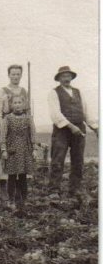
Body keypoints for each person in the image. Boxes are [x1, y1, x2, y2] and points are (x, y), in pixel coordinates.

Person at [47, 66, 98, 204]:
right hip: (62, 130)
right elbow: (55, 114)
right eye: (63, 76)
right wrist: (70, 126)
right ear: (59, 78)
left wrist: (95, 128)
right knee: (58, 160)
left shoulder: (78, 92)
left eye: (68, 76)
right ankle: (54, 190)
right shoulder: (54, 93)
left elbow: (86, 112)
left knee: (78, 160)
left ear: (71, 77)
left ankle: (75, 189)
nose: (66, 78)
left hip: (79, 130)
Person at [0, 65, 29, 205]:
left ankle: (18, 192)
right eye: (13, 74)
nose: (15, 76)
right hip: (5, 126)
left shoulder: (24, 92)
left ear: (21, 75)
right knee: (4, 157)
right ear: (9, 75)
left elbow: (27, 110)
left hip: (20, 128)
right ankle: (3, 190)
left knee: (18, 158)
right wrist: (3, 126)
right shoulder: (2, 92)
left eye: (18, 74)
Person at [0, 95, 35, 216]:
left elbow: (32, 134)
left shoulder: (28, 118)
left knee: (23, 176)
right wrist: (4, 150)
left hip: (25, 151)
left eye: (20, 102)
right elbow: (3, 135)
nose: (18, 105)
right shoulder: (7, 119)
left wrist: (33, 149)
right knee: (12, 177)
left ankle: (23, 200)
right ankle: (11, 200)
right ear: (11, 105)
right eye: (15, 102)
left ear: (24, 104)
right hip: (12, 151)